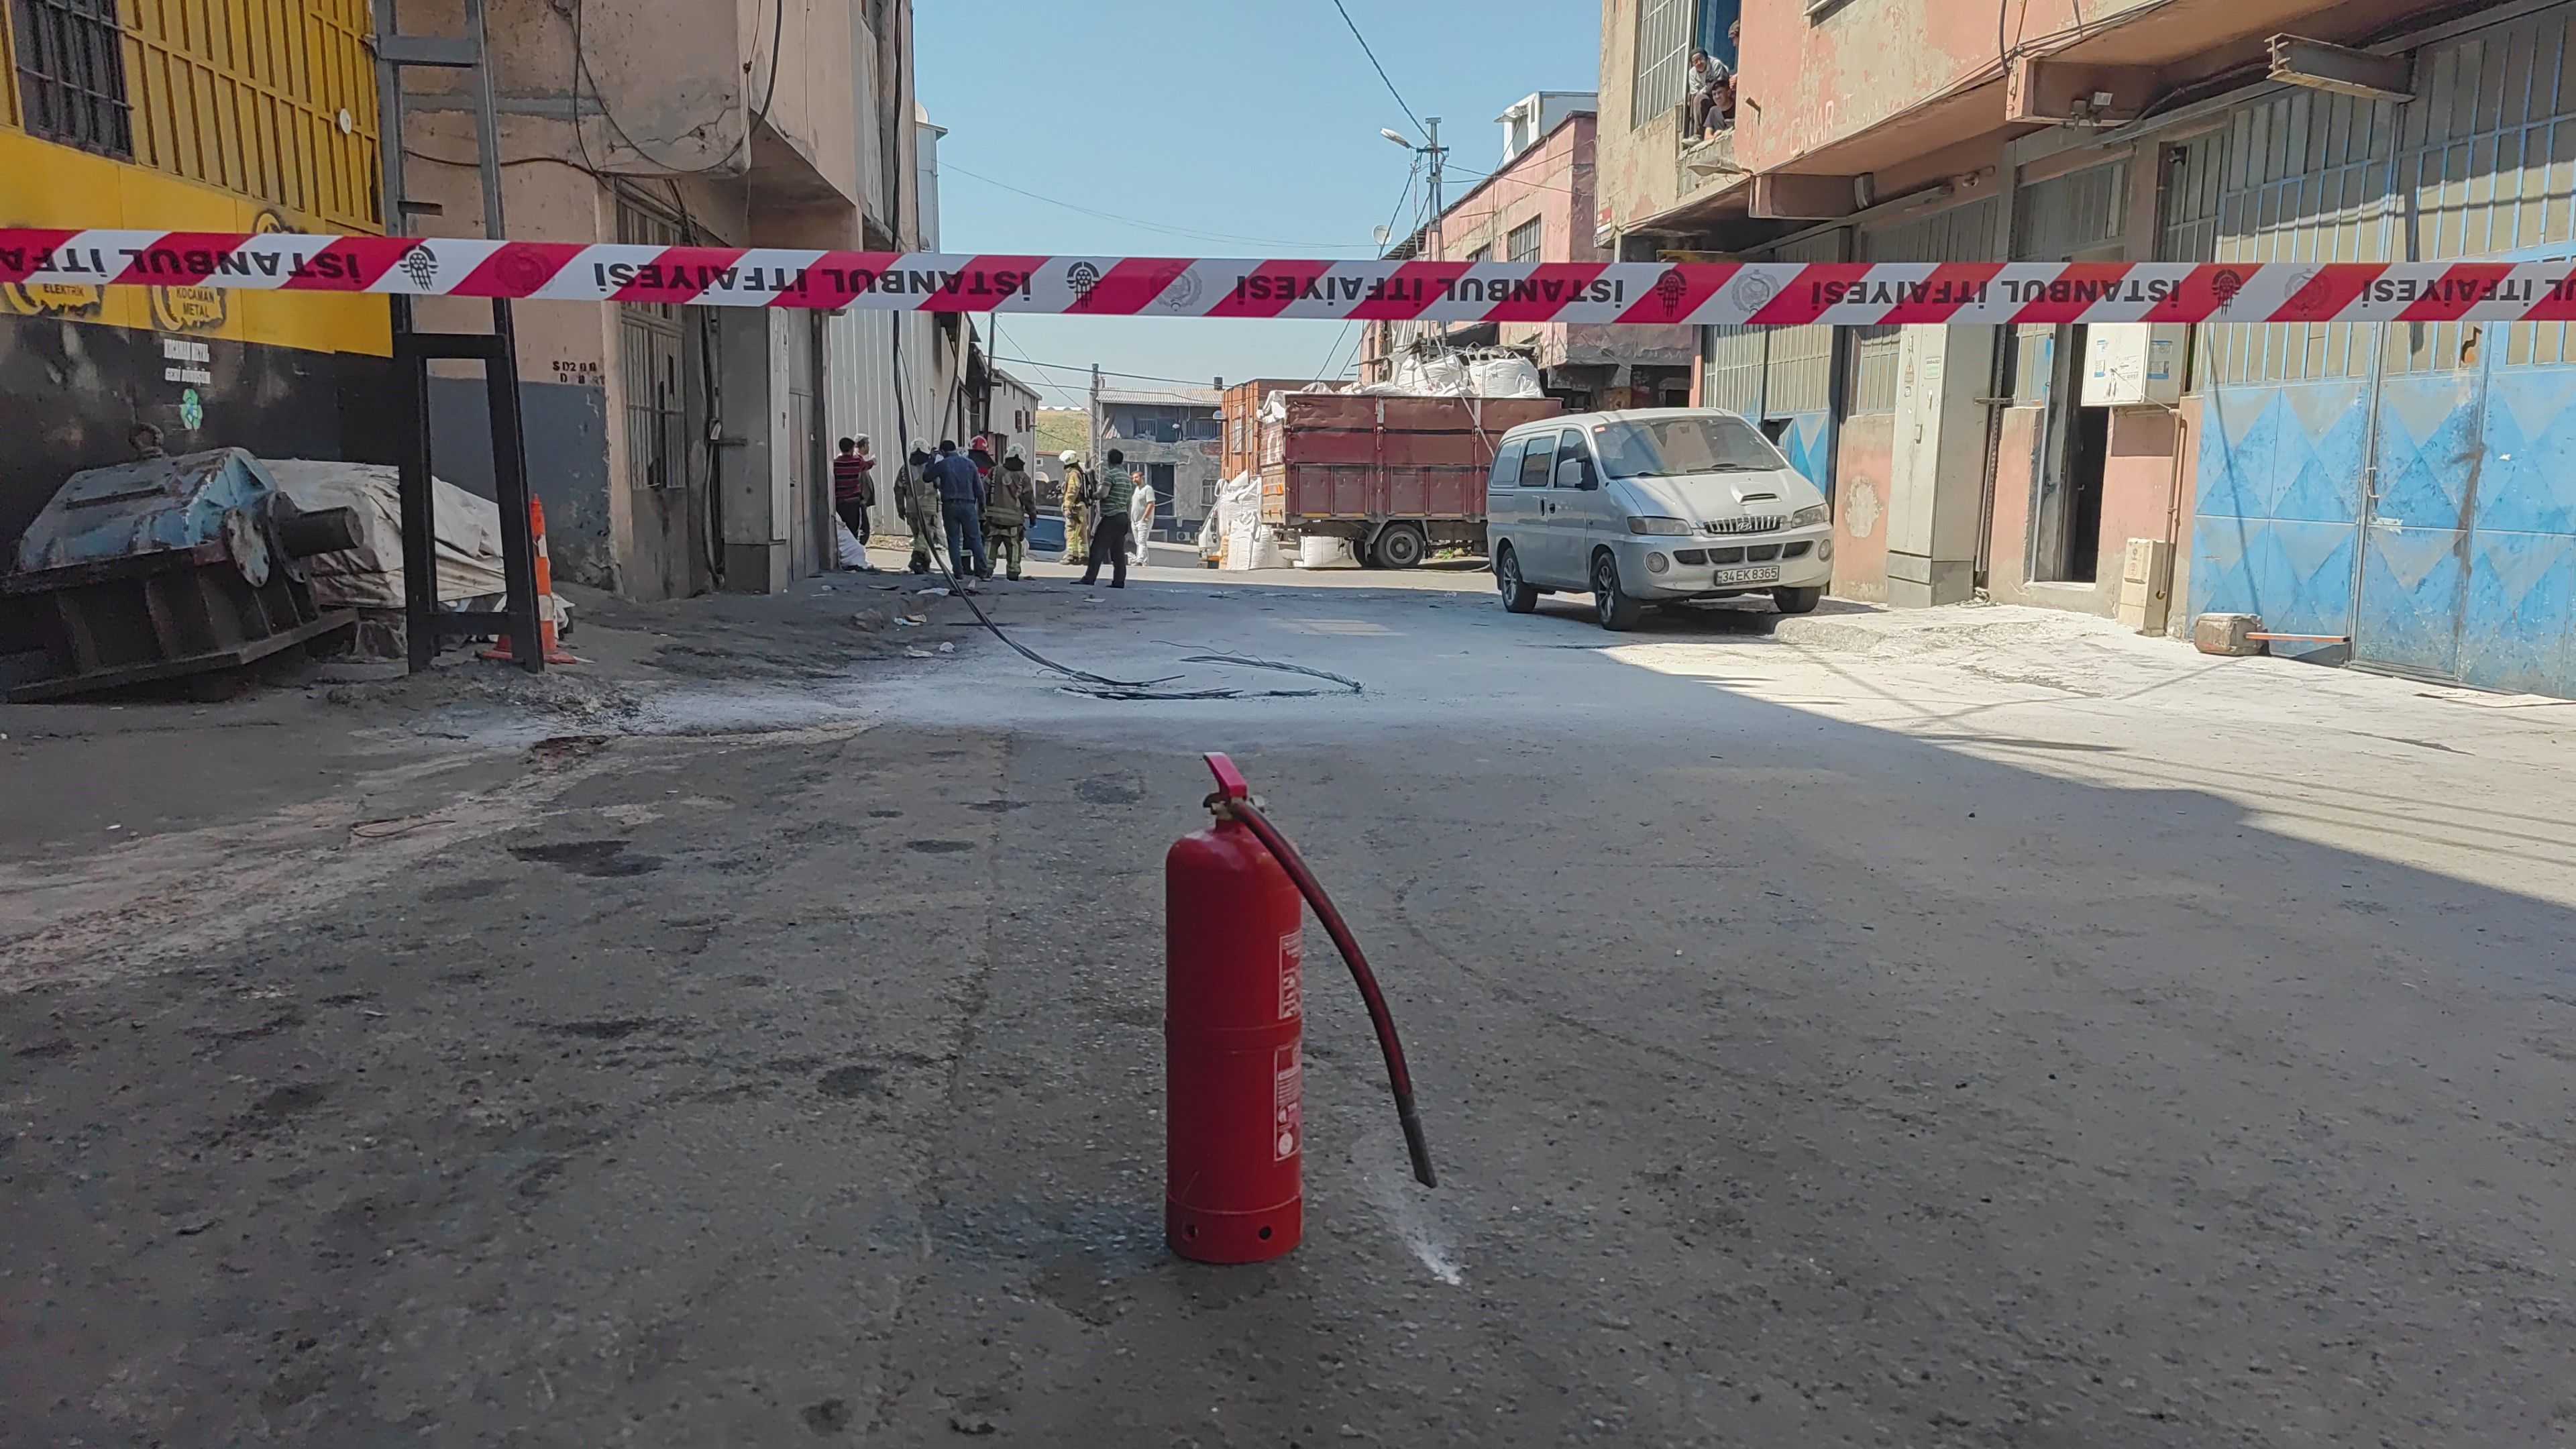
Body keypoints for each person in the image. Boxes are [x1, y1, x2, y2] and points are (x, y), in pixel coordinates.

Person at [932, 438, 989, 582]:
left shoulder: (943, 464)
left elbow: (927, 477)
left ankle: (958, 572)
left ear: (943, 452)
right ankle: (983, 572)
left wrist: (932, 460)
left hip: (950, 505)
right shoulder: (970, 464)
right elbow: (979, 488)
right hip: (969, 506)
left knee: (954, 540)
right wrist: (982, 506)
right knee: (975, 539)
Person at [1080, 447, 1138, 589]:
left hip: (1111, 517)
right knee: (1117, 551)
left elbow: (1104, 494)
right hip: (1123, 517)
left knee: (1097, 548)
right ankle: (1119, 581)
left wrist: (1093, 495)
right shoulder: (1128, 478)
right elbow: (1129, 501)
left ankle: (1089, 578)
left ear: (1109, 461)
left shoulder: (1111, 475)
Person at [983, 453, 1038, 581]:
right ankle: (1013, 572)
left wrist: (982, 511)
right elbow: (1029, 499)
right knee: (1013, 545)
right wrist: (1032, 516)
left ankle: (987, 569)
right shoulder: (1023, 478)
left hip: (993, 519)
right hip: (1013, 522)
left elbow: (983, 490)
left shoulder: (994, 471)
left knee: (991, 544)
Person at [832, 436, 875, 566]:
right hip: (853, 502)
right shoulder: (857, 462)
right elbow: (867, 466)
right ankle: (854, 558)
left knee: (842, 530)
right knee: (854, 530)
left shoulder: (835, 463)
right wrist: (873, 461)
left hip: (839, 502)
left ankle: (845, 557)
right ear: (852, 449)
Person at [900, 441, 941, 574]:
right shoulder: (931, 468)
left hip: (911, 507)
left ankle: (925, 562)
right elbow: (939, 483)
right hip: (928, 506)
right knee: (927, 534)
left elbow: (898, 489)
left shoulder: (905, 468)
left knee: (919, 536)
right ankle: (916, 559)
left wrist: (900, 508)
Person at [1689, 46, 1735, 139]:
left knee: (1719, 93)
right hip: (1708, 96)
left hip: (1722, 92)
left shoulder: (1716, 64)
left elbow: (1719, 85)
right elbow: (1695, 93)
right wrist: (1708, 87)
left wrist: (1707, 89)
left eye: (1701, 59)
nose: (1699, 63)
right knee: (1697, 100)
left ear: (1706, 58)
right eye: (1695, 62)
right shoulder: (1692, 73)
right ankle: (1698, 135)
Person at [1058, 451, 1091, 564]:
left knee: (1071, 530)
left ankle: (1071, 556)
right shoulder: (1080, 472)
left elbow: (1072, 491)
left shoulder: (1073, 474)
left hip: (1076, 507)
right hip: (1082, 507)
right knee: (1082, 532)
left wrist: (1067, 507)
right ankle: (1084, 555)